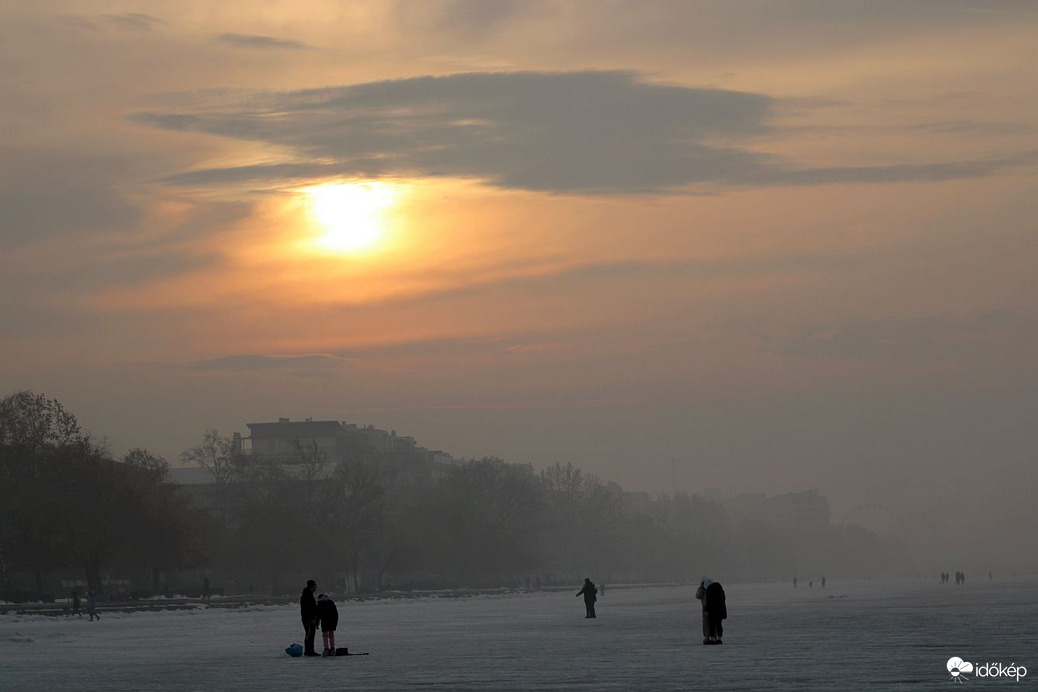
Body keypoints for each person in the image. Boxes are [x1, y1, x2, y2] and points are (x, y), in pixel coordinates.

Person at [703, 579, 727, 644]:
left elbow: (709, 601)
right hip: (720, 610)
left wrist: (706, 610)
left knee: (712, 625)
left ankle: (712, 639)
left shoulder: (710, 590)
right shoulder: (720, 589)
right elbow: (723, 600)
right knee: (719, 624)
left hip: (712, 610)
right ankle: (719, 638)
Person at [300, 579, 319, 656]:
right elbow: (308, 608)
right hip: (308, 619)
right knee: (309, 633)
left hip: (309, 618)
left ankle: (310, 650)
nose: (316, 587)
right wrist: (312, 618)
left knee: (311, 634)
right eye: (315, 585)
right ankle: (308, 651)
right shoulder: (307, 595)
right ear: (312, 586)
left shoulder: (309, 594)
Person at [695, 577, 713, 643]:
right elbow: (698, 596)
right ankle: (707, 636)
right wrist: (701, 588)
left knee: (710, 621)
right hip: (705, 606)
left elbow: (698, 596)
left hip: (709, 606)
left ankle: (711, 636)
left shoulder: (712, 589)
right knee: (706, 622)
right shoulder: (703, 589)